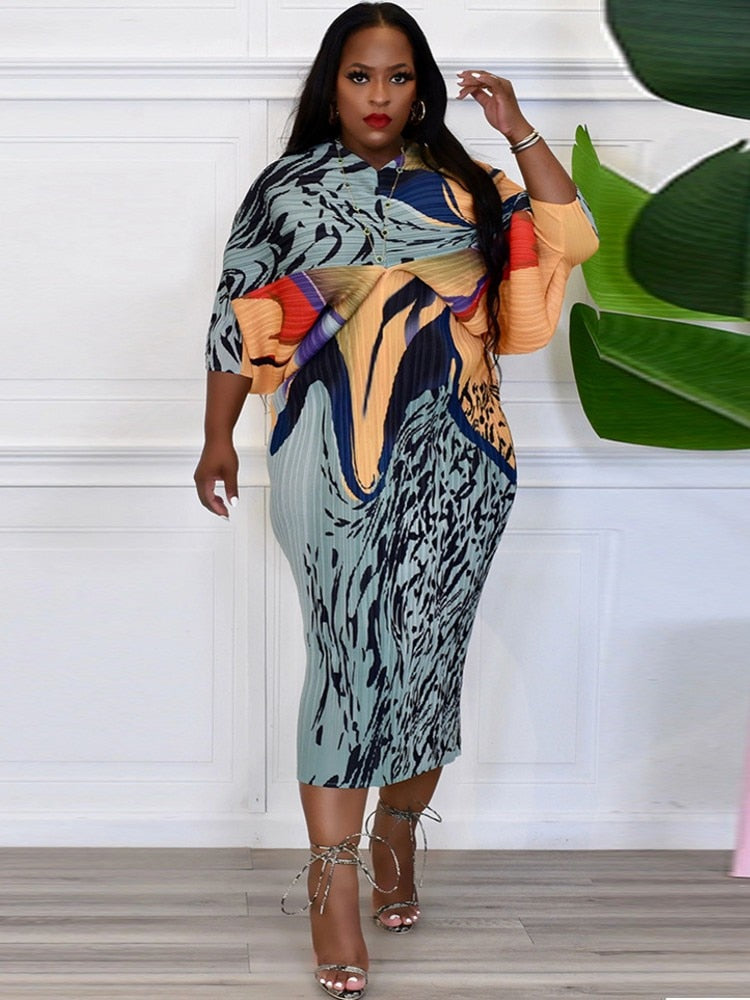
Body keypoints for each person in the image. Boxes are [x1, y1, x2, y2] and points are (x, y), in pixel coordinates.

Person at [194, 3, 598, 996]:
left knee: (427, 661)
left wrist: (518, 129)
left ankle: (397, 836)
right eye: (360, 76)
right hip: (325, 456)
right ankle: (333, 888)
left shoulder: (467, 184)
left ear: (422, 87)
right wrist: (216, 437)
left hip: (464, 459)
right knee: (346, 660)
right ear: (331, 84)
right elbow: (238, 318)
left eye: (399, 76)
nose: (379, 96)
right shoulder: (287, 188)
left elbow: (569, 232)